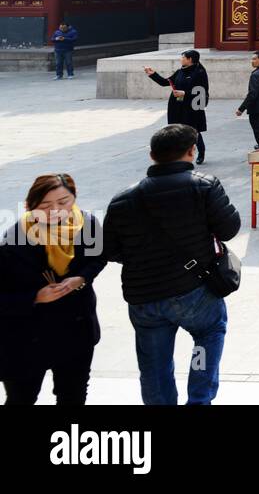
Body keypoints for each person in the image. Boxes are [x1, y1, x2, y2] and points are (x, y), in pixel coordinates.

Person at [103, 124, 240, 405]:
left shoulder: (121, 200)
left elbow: (109, 250)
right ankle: (199, 399)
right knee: (208, 334)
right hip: (195, 292)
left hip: (145, 298)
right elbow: (228, 229)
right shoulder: (204, 186)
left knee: (154, 366)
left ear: (152, 155)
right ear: (191, 152)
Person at [0, 174, 106, 405]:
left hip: (76, 330)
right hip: (26, 337)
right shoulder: (11, 243)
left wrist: (82, 278)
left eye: (64, 201)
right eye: (46, 205)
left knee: (73, 395)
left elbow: (97, 259)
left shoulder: (87, 224)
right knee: (22, 398)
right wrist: (35, 297)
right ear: (30, 206)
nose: (56, 210)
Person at [144, 50, 210, 165]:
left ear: (190, 59)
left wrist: (184, 93)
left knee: (194, 130)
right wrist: (153, 74)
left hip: (192, 106)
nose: (181, 59)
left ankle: (201, 152)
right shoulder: (180, 71)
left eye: (183, 57)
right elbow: (166, 82)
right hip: (177, 105)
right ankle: (178, 155)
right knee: (177, 131)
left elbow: (202, 92)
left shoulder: (199, 72)